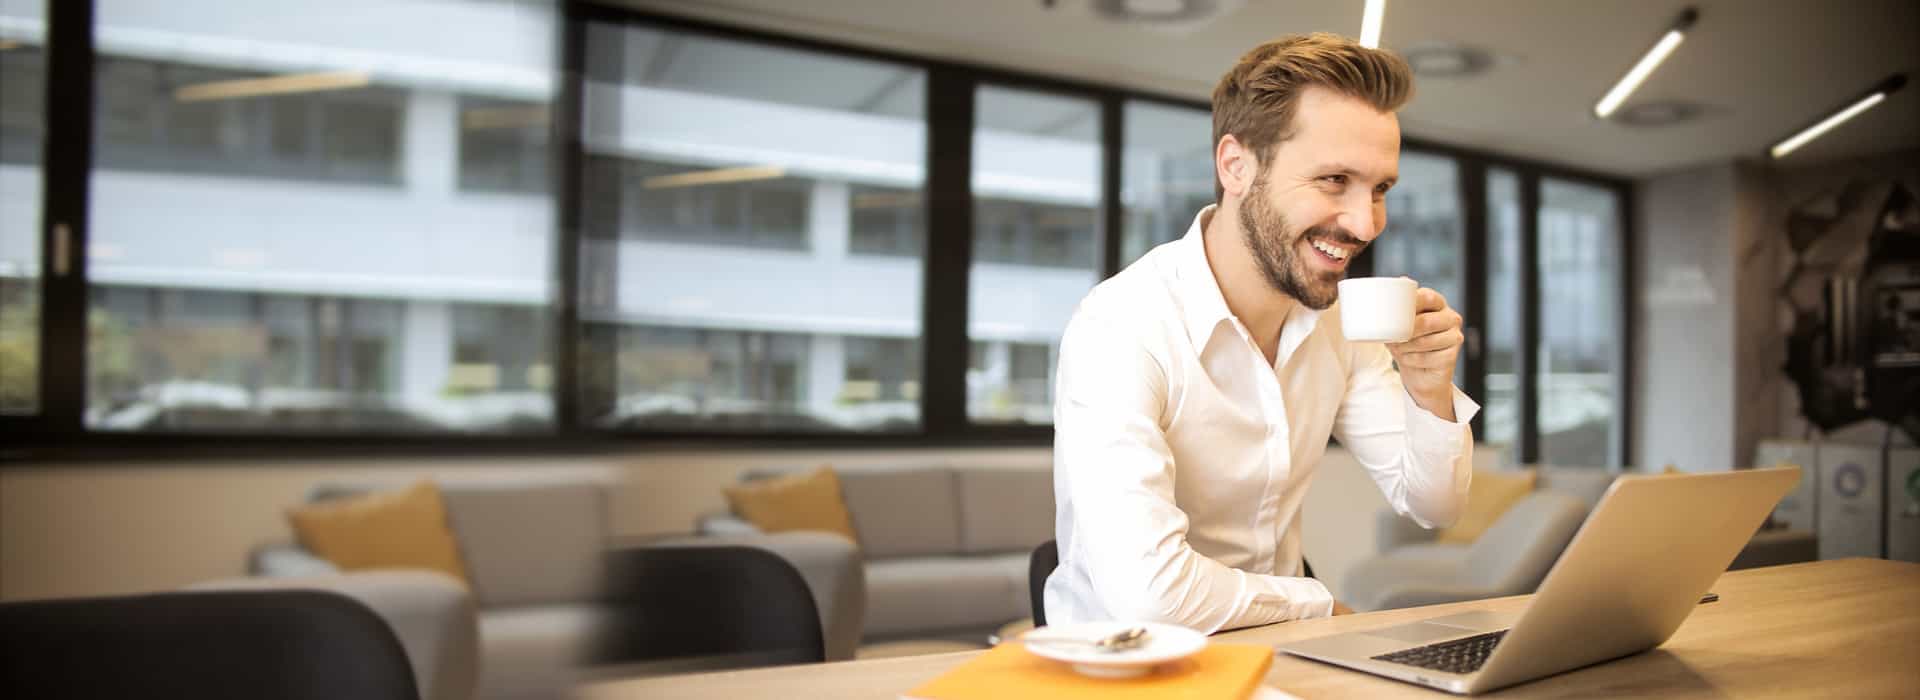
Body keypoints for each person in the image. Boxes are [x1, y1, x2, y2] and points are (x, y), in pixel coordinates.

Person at [1043, 32, 1477, 633]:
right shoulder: (1120, 325)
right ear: (1236, 165)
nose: (1365, 223)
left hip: (1279, 655)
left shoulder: (1337, 326)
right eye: (1334, 181)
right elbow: (1150, 595)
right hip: (1130, 664)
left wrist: (1429, 390)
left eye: (1379, 189)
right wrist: (1314, 600)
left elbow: (1433, 504)